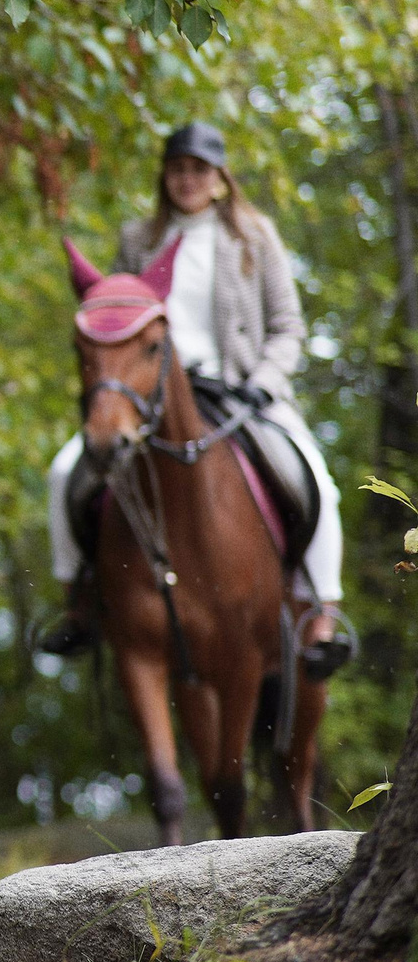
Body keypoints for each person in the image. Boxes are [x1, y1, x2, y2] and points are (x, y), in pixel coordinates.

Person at [41, 122, 346, 665]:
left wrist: (262, 386)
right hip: (148, 397)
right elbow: (116, 321)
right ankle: (79, 602)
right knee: (66, 472)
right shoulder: (137, 240)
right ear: (165, 175)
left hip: (240, 392)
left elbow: (289, 327)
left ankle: (322, 611)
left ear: (219, 175)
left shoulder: (254, 236)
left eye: (199, 170)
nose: (188, 180)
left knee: (314, 478)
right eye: (178, 169)